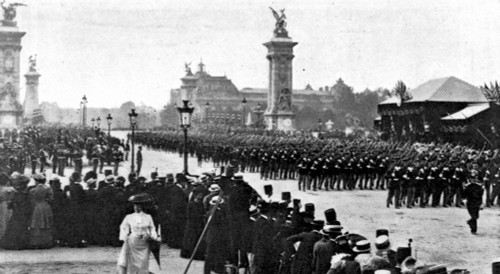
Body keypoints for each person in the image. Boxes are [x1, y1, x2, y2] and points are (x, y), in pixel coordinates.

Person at [117, 194, 160, 274]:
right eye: (135, 206)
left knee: (143, 261)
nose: (137, 208)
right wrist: (124, 237)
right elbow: (123, 227)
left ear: (142, 207)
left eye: (138, 206)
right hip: (133, 241)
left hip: (144, 242)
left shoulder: (148, 217)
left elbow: (152, 228)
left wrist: (153, 236)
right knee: (132, 262)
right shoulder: (129, 217)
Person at [29, 173, 54, 249]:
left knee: (37, 223)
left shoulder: (33, 190)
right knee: (46, 223)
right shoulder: (48, 189)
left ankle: (36, 242)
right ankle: (46, 241)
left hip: (37, 206)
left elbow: (31, 199)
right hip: (45, 206)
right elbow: (51, 199)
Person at [462, 170, 484, 235]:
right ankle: (473, 230)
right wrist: (464, 200)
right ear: (470, 179)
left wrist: (481, 204)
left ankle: (469, 222)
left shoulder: (479, 187)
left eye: (474, 178)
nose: (473, 180)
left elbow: (480, 196)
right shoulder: (468, 187)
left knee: (476, 216)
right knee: (474, 217)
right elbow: (463, 195)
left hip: (477, 203)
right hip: (470, 203)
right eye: (472, 179)